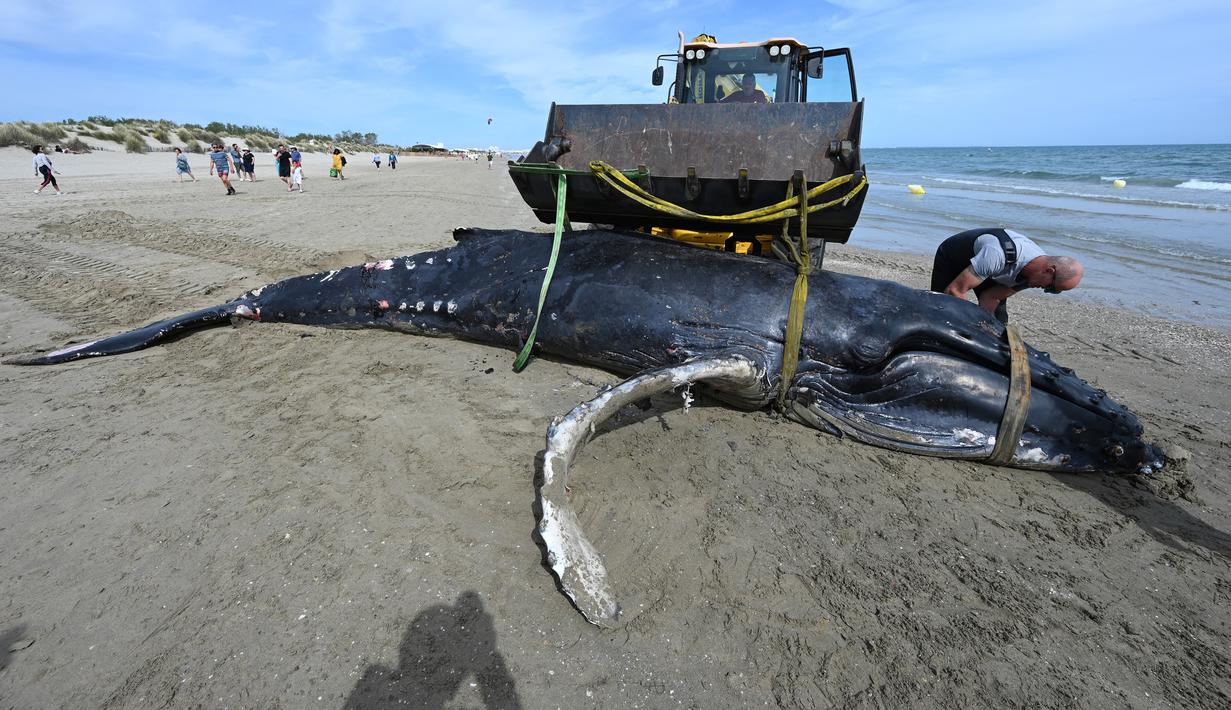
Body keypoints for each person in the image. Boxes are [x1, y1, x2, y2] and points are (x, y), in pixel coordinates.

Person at [930, 227, 1084, 324]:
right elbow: (955, 291)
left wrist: (985, 327)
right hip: (955, 256)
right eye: (1051, 287)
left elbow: (991, 297)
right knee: (942, 310)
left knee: (997, 321)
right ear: (1049, 271)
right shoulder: (998, 254)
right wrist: (968, 325)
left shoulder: (1033, 275)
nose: (1045, 290)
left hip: (994, 268)